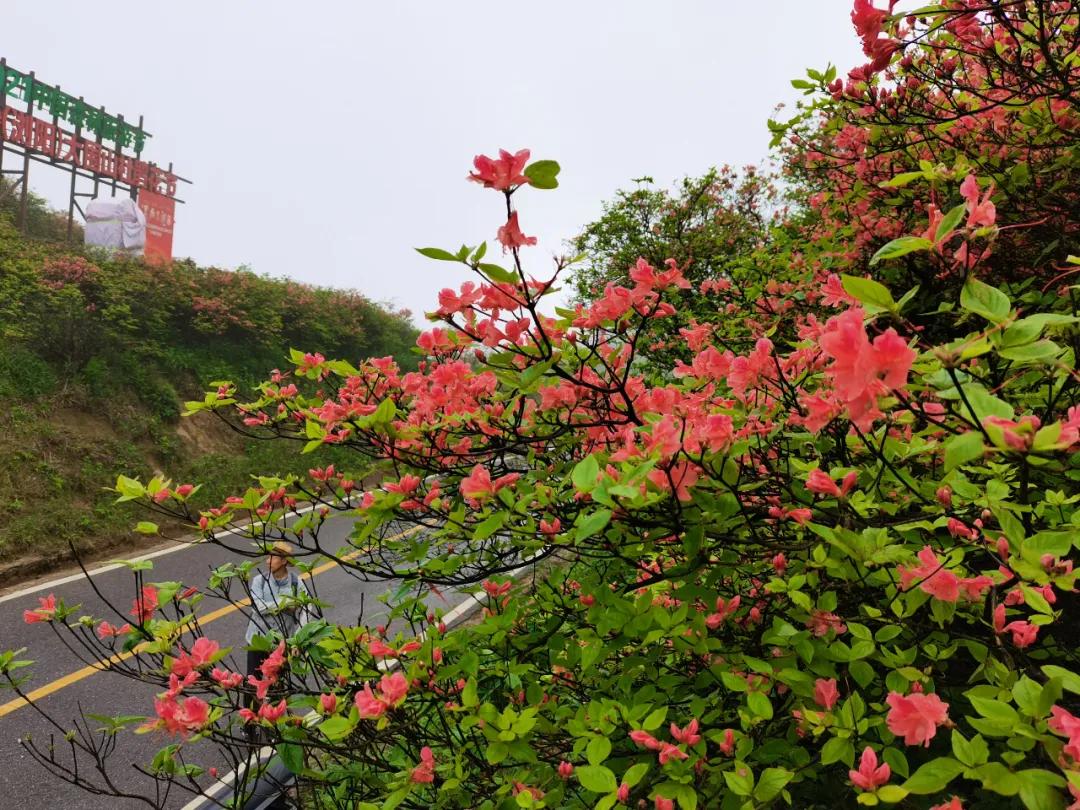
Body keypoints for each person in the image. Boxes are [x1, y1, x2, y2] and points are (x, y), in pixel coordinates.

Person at [244, 541, 314, 680]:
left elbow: (307, 609)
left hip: (282, 643)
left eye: (272, 557)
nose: (267, 561)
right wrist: (287, 603)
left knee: (278, 683)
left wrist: (297, 641)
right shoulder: (259, 580)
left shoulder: (296, 582)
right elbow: (258, 607)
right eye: (267, 557)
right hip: (257, 639)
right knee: (252, 682)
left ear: (283, 561)